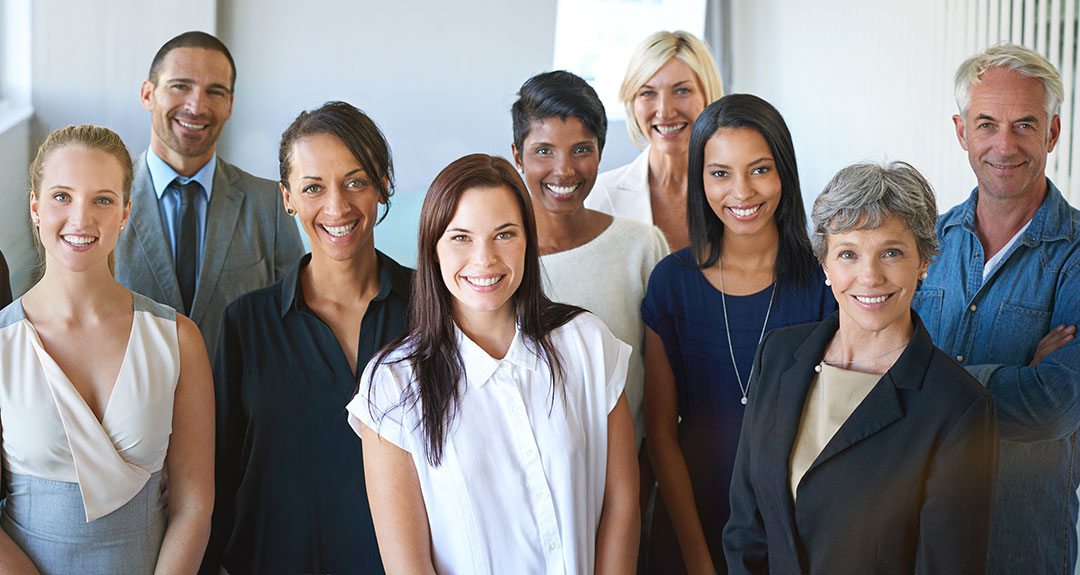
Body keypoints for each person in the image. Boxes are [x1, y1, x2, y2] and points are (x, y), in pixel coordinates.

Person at [348, 154, 639, 574]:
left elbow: (621, 504)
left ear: (528, 241)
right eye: (461, 237)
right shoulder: (391, 385)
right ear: (433, 248)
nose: (484, 260)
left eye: (504, 234)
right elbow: (408, 567)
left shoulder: (586, 343)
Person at [724, 161, 999, 573]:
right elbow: (746, 530)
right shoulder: (777, 356)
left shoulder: (958, 408)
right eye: (848, 254)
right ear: (825, 265)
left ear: (924, 261)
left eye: (891, 252)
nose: (869, 276)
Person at [201, 102, 410, 575]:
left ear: (382, 184)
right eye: (313, 187)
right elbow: (217, 476)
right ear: (287, 197)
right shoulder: (245, 324)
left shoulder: (431, 314)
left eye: (356, 181)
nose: (336, 207)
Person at [0, 125, 213, 574]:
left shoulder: (178, 339)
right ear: (35, 208)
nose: (81, 219)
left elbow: (194, 504)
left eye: (102, 199)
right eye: (62, 196)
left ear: (125, 212)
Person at [642, 94, 835, 573]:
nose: (742, 192)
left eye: (760, 169)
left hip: (796, 524)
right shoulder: (671, 282)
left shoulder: (824, 280)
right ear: (700, 179)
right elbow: (662, 433)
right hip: (691, 513)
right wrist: (697, 557)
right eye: (720, 173)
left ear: (784, 173)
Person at [911, 42, 1080, 574]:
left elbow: (1056, 403)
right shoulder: (924, 243)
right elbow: (873, 375)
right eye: (987, 123)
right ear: (962, 131)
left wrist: (925, 381)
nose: (1004, 145)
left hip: (1021, 546)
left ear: (1052, 133)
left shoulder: (1076, 254)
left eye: (1025, 125)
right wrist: (1017, 376)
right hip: (916, 539)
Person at [115, 31, 304, 355]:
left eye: (214, 92)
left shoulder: (270, 203)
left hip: (237, 404)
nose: (196, 106)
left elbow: (296, 322)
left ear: (230, 105)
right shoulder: (104, 200)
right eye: (180, 86)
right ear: (148, 94)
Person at [510, 70, 668, 450]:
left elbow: (660, 393)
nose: (563, 170)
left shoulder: (641, 246)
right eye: (544, 151)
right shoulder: (497, 260)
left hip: (630, 476)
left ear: (600, 152)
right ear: (517, 155)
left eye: (581, 149)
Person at [585, 30, 724, 252]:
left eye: (681, 91)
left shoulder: (738, 190)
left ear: (709, 95)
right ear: (632, 103)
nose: (665, 111)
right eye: (648, 93)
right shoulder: (600, 196)